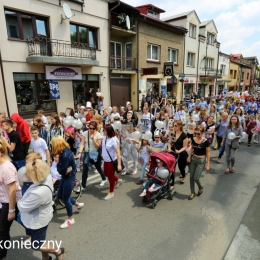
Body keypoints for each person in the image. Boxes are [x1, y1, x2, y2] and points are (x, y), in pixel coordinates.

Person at [17, 159, 66, 260]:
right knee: (40, 241)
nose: (25, 173)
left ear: (35, 175)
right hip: (41, 215)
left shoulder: (38, 193)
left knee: (36, 245)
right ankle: (46, 257)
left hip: (38, 221)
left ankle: (58, 251)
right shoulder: (46, 176)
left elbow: (22, 207)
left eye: (28, 172)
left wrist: (20, 200)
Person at [50, 136, 84, 229]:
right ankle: (77, 204)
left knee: (65, 199)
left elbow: (61, 170)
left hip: (68, 178)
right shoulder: (65, 151)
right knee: (60, 196)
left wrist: (57, 164)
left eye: (53, 144)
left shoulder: (64, 155)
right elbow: (64, 170)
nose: (52, 146)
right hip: (66, 177)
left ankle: (70, 219)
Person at [0, 139, 22, 260]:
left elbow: (13, 190)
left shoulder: (6, 168)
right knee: (2, 229)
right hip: (3, 200)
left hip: (9, 202)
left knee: (2, 230)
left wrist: (11, 210)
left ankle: (2, 254)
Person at [75, 121, 107, 190]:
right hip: (87, 154)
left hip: (95, 154)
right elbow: (82, 144)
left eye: (93, 128)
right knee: (85, 171)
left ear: (96, 128)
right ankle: (83, 186)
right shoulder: (85, 133)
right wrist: (80, 153)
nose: (91, 130)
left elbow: (98, 146)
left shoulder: (98, 135)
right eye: (90, 128)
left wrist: (93, 139)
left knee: (98, 167)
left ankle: (104, 178)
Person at [187, 125, 210, 200]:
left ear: (203, 133)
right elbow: (191, 149)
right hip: (194, 159)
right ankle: (192, 192)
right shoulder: (193, 139)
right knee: (191, 177)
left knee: (196, 178)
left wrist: (208, 164)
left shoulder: (206, 141)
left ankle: (200, 187)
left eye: (198, 134)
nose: (197, 135)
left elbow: (208, 153)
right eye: (195, 133)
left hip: (201, 160)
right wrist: (189, 156)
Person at [102, 124, 122, 200]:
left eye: (104, 130)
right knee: (106, 174)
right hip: (105, 160)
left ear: (108, 131)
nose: (103, 131)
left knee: (110, 176)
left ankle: (111, 192)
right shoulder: (104, 138)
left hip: (111, 161)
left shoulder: (113, 140)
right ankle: (117, 179)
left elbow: (118, 152)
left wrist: (119, 164)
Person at [168, 120, 188, 184]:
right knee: (172, 168)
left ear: (180, 126)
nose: (174, 127)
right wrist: (169, 148)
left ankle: (183, 176)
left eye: (175, 126)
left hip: (181, 154)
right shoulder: (173, 133)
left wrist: (179, 151)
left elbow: (185, 147)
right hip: (173, 153)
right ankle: (172, 183)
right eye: (173, 125)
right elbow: (169, 143)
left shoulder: (184, 135)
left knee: (181, 167)